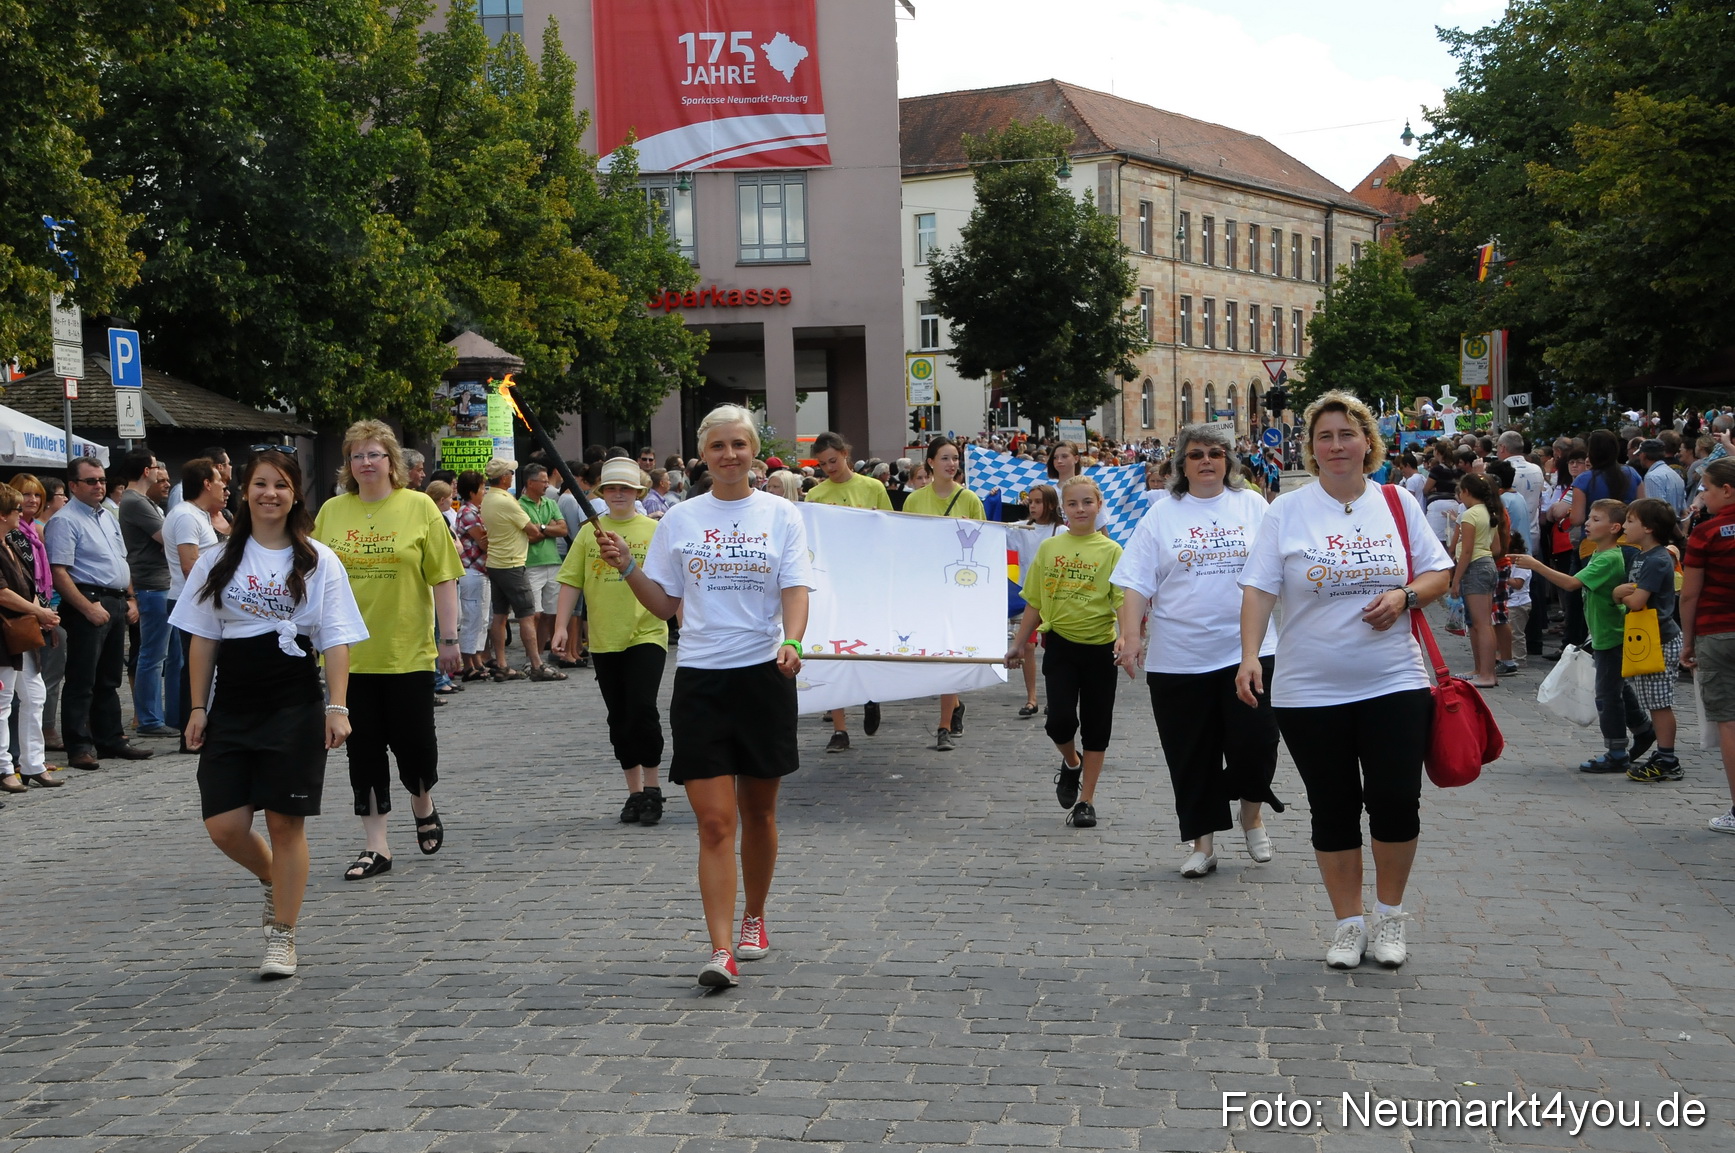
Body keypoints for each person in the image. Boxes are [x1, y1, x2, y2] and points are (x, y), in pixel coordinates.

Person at [1235, 391, 1452, 970]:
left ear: (1367, 443)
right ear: (1311, 448)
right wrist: (1250, 654)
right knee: (1332, 806)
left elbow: (1439, 574)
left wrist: (1403, 594)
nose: (1336, 446)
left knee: (1395, 801)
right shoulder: (1286, 509)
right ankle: (1347, 925)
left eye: (1346, 435)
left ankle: (1389, 918)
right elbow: (1259, 588)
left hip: (1394, 679)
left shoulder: (1397, 502)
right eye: (1325, 437)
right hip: (1311, 687)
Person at [599, 404, 813, 989]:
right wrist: (626, 568)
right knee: (715, 824)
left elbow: (796, 589)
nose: (729, 455)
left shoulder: (781, 515)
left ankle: (754, 917)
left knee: (758, 812)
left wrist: (793, 639)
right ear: (704, 455)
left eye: (739, 444)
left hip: (764, 675)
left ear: (754, 451)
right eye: (718, 446)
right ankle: (722, 950)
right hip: (700, 679)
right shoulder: (682, 519)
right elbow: (665, 605)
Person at [176, 449, 367, 978]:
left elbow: (335, 638)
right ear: (244, 491)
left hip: (294, 703)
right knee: (224, 825)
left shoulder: (318, 558)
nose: (270, 494)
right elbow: (201, 636)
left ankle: (282, 936)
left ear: (295, 494)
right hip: (233, 703)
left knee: (286, 823)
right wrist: (197, 706)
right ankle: (272, 878)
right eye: (260, 484)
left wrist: (337, 706)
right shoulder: (218, 560)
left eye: (281, 485)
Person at [1114, 423, 1282, 877]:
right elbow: (1133, 582)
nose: (1206, 460)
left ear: (1228, 460)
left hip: (1249, 649)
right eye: (1195, 454)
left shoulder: (1252, 505)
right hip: (1179, 657)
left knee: (1257, 743)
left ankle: (1252, 813)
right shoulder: (1162, 514)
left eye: (1215, 452)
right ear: (1180, 465)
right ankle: (1202, 843)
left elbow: (1281, 568)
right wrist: (1130, 636)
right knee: (1191, 752)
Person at [314, 422, 463, 880]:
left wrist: (450, 638)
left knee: (415, 745)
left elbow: (443, 577)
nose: (366, 463)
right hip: (348, 657)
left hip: (406, 651)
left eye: (375, 454)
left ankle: (423, 801)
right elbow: (312, 579)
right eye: (357, 455)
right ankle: (376, 846)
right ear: (348, 464)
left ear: (391, 461)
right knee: (364, 751)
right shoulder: (332, 512)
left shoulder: (419, 507)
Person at [552, 458, 669, 825]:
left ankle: (652, 789)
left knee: (642, 709)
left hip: (646, 632)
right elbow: (571, 580)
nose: (619, 494)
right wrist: (559, 627)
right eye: (612, 489)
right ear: (602, 493)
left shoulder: (655, 530)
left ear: (638, 493)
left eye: (626, 488)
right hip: (604, 638)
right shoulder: (589, 533)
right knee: (619, 717)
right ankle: (633, 792)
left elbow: (670, 585)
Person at [1005, 477, 1122, 828]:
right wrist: (1017, 643)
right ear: (1064, 508)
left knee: (1097, 726)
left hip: (1100, 649)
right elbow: (1035, 602)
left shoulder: (1112, 552)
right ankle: (1072, 762)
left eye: (1088, 502)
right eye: (1073, 504)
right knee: (1059, 722)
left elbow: (1123, 600)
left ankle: (1086, 801)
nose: (1081, 509)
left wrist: (1127, 637)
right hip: (1059, 645)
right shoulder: (1050, 549)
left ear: (1099, 505)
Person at [1515, 499, 1654, 773]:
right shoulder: (1601, 556)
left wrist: (1536, 565)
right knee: (1615, 687)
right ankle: (1643, 730)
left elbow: (1571, 583)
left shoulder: (1609, 557)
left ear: (1615, 528)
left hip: (1612, 636)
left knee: (1606, 695)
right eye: (1589, 518)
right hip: (1603, 633)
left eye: (1596, 519)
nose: (1588, 523)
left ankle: (1616, 751)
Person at [45, 457, 153, 770]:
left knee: (109, 678)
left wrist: (131, 599)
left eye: (102, 480)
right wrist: (86, 607)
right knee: (81, 679)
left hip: (116, 600)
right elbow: (60, 572)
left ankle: (112, 740)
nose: (99, 486)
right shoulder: (65, 521)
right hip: (88, 601)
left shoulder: (106, 516)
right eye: (91, 481)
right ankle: (79, 746)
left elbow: (121, 560)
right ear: (73, 486)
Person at [805, 431, 893, 752]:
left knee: (865, 647)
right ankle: (839, 728)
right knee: (832, 651)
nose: (829, 468)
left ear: (846, 454)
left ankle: (870, 695)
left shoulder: (873, 487)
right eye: (823, 463)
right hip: (831, 584)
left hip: (867, 581)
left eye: (833, 460)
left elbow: (891, 529)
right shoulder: (815, 495)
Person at [902, 436, 985, 750]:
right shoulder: (914, 500)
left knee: (949, 653)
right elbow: (907, 543)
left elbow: (982, 546)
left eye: (956, 458)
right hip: (925, 585)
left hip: (957, 586)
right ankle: (955, 704)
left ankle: (943, 726)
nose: (952, 464)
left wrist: (968, 533)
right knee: (932, 652)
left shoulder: (970, 499)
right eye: (946, 458)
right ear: (931, 463)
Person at [1614, 498, 1687, 782]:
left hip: (1659, 637)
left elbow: (1636, 600)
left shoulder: (1657, 559)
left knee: (1659, 702)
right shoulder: (1642, 555)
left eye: (1631, 521)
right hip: (1645, 636)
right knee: (1651, 699)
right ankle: (1663, 753)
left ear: (1647, 528)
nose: (1626, 526)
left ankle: (1668, 758)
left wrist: (1619, 594)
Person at [1681, 460, 1735, 831]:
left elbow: (1690, 593)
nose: (1703, 496)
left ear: (1727, 490)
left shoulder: (1706, 532)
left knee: (1729, 721)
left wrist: (1688, 641)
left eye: (1707, 489)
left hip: (1717, 632)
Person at [0, 484, 63, 794]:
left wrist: (43, 612)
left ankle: (32, 763)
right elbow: (3, 593)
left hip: (22, 631)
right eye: (15, 510)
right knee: (2, 702)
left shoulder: (12, 543)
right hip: (5, 633)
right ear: (3, 515)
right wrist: (38, 613)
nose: (21, 513)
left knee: (34, 695)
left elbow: (25, 588)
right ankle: (3, 767)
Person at [163, 458, 227, 744]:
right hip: (192, 600)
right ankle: (190, 733)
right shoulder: (186, 515)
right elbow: (191, 565)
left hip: (203, 600)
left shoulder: (200, 514)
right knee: (196, 667)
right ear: (206, 484)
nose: (224, 486)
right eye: (219, 480)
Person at [115, 450, 179, 738]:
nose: (158, 472)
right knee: (152, 655)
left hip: (162, 583)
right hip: (152, 584)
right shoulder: (134, 501)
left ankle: (170, 714)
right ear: (145, 470)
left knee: (169, 655)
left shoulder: (143, 501)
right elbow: (168, 538)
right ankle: (149, 719)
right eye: (155, 467)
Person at [480, 458, 562, 681]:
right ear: (504, 477)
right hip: (512, 563)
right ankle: (536, 664)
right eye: (510, 473)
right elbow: (533, 531)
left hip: (496, 562)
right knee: (527, 614)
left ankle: (502, 664)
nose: (513, 476)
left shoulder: (488, 498)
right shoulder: (508, 501)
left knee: (500, 615)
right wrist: (546, 529)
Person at [1009, 484, 1063, 718]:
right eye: (1030, 501)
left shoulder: (1060, 531)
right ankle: (1031, 698)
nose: (1032, 506)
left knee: (1054, 649)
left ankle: (1055, 696)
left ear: (1050, 504)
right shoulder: (1021, 529)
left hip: (1053, 598)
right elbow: (992, 533)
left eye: (1038, 501)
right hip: (1029, 597)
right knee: (1027, 646)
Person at [1451, 473, 1508, 689]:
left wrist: (1455, 580)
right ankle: (1482, 670)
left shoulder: (1469, 515)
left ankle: (1486, 673)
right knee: (1481, 622)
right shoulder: (1489, 512)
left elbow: (1466, 551)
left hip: (1474, 567)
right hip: (1487, 565)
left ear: (1466, 492)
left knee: (1482, 623)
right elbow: (1496, 548)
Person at [518, 464, 568, 667]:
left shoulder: (550, 502)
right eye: (544, 481)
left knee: (549, 612)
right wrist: (549, 529)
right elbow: (527, 536)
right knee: (534, 613)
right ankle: (533, 658)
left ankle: (539, 655)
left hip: (553, 561)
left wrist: (542, 528)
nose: (547, 484)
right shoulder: (519, 506)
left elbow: (563, 529)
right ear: (530, 483)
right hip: (532, 563)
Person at [452, 471, 491, 683]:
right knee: (471, 617)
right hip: (471, 570)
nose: (484, 492)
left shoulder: (477, 511)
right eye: (482, 489)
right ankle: (467, 663)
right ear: (471, 491)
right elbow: (483, 541)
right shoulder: (468, 512)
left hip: (481, 571)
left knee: (482, 619)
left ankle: (476, 658)